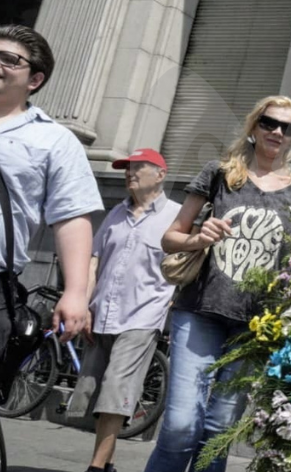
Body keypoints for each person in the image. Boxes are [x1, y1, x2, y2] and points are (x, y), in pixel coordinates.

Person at [0, 24, 103, 467]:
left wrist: (76, 292)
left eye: (9, 59)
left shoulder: (54, 140)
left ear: (34, 79)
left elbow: (72, 217)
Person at [143, 96, 291, 472]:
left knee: (219, 430)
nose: (277, 132)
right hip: (200, 311)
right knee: (180, 426)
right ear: (254, 126)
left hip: (257, 326)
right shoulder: (219, 174)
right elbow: (170, 238)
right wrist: (198, 238)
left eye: (287, 127)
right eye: (269, 123)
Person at [65, 148, 180, 472]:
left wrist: (174, 302)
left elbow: (187, 266)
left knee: (117, 389)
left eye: (137, 167)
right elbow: (94, 260)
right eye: (126, 168)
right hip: (103, 313)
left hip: (142, 316)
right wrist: (84, 304)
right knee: (95, 391)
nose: (129, 173)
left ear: (160, 174)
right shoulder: (116, 213)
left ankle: (95, 467)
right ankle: (109, 463)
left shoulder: (176, 216)